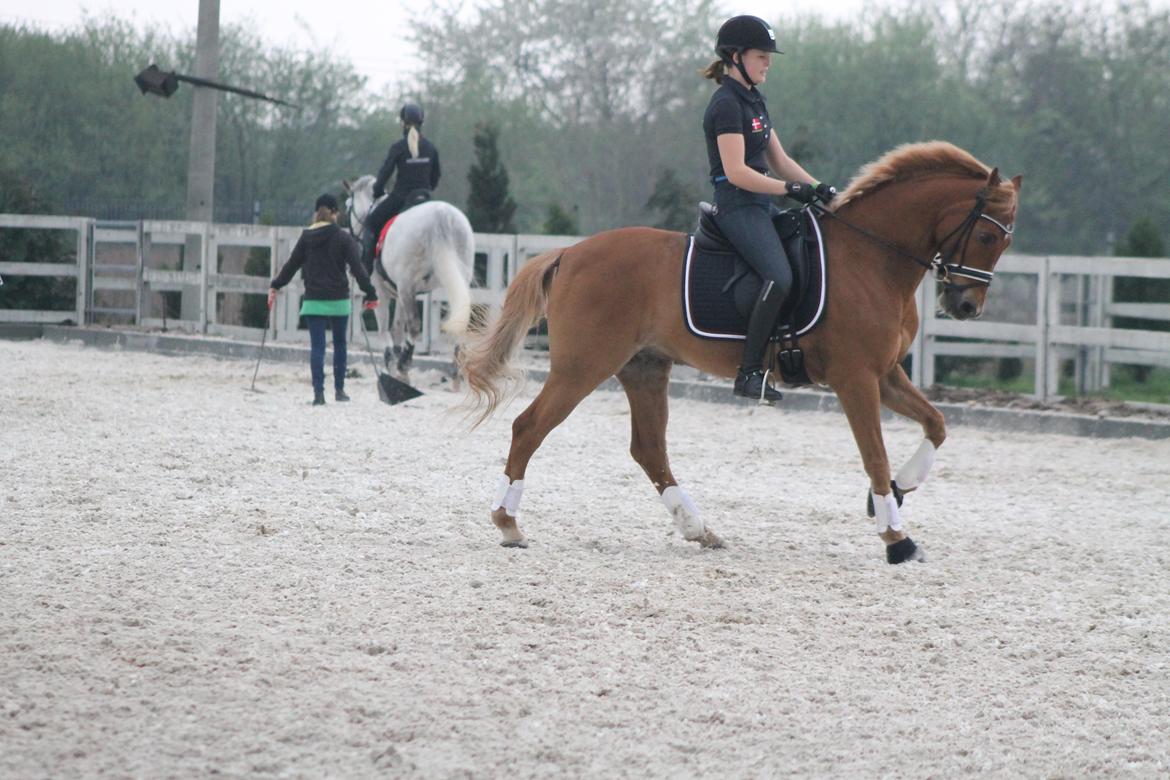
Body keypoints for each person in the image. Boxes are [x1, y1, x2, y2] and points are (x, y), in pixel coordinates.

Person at [702, 15, 837, 403]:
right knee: (778, 276)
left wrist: (817, 188)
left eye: (768, 57)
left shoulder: (754, 99)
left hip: (761, 205)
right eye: (762, 56)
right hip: (737, 207)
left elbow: (779, 158)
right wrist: (788, 189)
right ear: (735, 56)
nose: (768, 63)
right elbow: (737, 172)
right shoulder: (726, 105)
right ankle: (749, 372)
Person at [269, 193, 378, 406]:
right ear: (335, 213)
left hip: (313, 301)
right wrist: (370, 293)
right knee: (340, 344)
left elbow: (291, 265)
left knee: (317, 347)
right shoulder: (344, 238)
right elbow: (358, 269)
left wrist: (276, 284)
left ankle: (318, 394)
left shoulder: (306, 237)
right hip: (338, 300)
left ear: (316, 212)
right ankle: (339, 390)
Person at [360, 102, 442, 270]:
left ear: (403, 123)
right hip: (426, 198)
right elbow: (436, 176)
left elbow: (384, 174)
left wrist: (377, 191)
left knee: (370, 223)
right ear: (421, 123)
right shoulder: (430, 148)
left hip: (401, 198)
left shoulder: (398, 147)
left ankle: (366, 269)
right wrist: (426, 190)